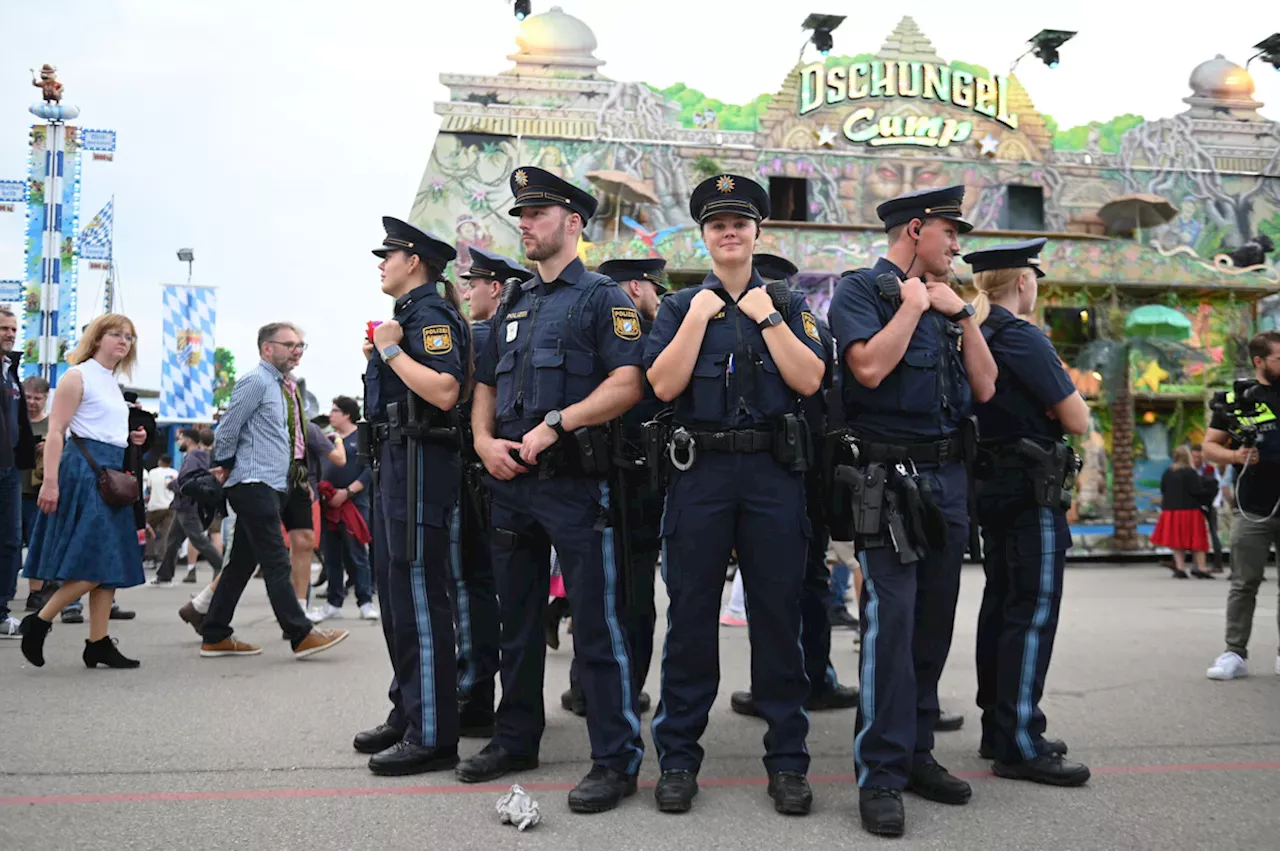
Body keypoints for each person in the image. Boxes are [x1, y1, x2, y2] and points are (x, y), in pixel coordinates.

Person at [458, 165, 645, 814]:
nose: (524, 224)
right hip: (510, 484)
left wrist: (559, 423)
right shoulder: (513, 300)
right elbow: (484, 384)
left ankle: (615, 758)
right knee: (517, 624)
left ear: (572, 222)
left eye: (536, 213)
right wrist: (483, 441)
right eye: (521, 214)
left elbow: (629, 382)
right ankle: (516, 738)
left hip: (575, 484)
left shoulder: (601, 297)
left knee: (597, 625)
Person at [646, 176, 826, 816]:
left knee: (779, 620)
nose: (729, 231)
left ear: (756, 234)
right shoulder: (676, 308)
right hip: (701, 475)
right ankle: (678, 759)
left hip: (773, 476)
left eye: (740, 222)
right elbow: (663, 386)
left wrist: (768, 317)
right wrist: (697, 317)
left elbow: (809, 377)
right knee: (691, 620)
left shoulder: (788, 301)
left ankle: (787, 763)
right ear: (703, 235)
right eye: (717, 223)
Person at [827, 185, 997, 837]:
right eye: (950, 232)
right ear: (916, 229)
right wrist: (913, 305)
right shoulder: (861, 290)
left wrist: (964, 317)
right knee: (890, 624)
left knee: (933, 621)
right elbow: (867, 368)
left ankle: (918, 751)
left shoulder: (948, 302)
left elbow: (984, 387)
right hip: (888, 477)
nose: (958, 244)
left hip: (948, 476)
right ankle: (880, 772)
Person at [966, 238, 1092, 787]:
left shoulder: (975, 333)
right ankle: (1019, 741)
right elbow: (1078, 417)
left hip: (992, 487)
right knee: (1032, 611)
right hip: (1030, 490)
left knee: (1001, 605)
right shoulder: (1020, 337)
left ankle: (1000, 727)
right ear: (1024, 281)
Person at [352, 216, 469, 776]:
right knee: (397, 595)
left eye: (389, 255)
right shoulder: (405, 319)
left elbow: (446, 391)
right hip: (395, 462)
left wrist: (393, 354)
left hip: (423, 460)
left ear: (414, 262)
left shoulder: (431, 316)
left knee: (420, 595)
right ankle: (408, 711)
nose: (382, 263)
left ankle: (434, 734)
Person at [727, 252, 860, 722]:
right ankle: (812, 679)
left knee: (783, 588)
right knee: (807, 584)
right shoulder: (813, 329)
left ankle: (785, 685)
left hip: (787, 476)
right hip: (812, 475)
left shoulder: (778, 327)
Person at [559, 257, 669, 718]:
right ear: (638, 287)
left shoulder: (626, 334)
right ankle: (615, 685)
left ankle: (594, 685)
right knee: (624, 590)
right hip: (629, 478)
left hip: (618, 477)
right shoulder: (649, 337)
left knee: (604, 589)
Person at [199, 323, 348, 660]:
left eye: (301, 345)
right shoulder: (256, 381)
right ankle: (300, 633)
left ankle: (214, 632)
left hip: (273, 482)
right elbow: (229, 427)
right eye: (290, 344)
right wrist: (223, 462)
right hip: (253, 482)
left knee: (240, 564)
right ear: (267, 349)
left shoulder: (283, 385)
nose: (297, 350)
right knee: (276, 559)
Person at [19, 314, 147, 667]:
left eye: (129, 337)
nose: (124, 342)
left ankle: (98, 641)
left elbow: (103, 428)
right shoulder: (77, 376)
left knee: (107, 565)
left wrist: (133, 437)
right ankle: (40, 620)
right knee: (96, 561)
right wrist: (50, 481)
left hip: (109, 472)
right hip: (85, 473)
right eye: (116, 335)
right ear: (97, 337)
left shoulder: (109, 382)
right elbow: (56, 431)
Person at [449, 246, 531, 735]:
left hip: (472, 476)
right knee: (497, 592)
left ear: (495, 288)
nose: (466, 291)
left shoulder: (480, 335)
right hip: (500, 476)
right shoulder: (505, 332)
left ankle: (475, 694)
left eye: (473, 283)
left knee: (469, 585)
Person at [1202, 330, 1280, 681]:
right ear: (1259, 361)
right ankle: (1234, 653)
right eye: (1279, 358)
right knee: (1244, 582)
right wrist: (1235, 454)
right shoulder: (1236, 398)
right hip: (1253, 506)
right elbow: (1209, 447)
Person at [309, 396, 377, 622]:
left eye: (335, 410)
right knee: (331, 556)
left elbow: (369, 471)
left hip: (354, 503)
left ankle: (365, 601)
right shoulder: (328, 439)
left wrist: (347, 492)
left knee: (358, 555)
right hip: (329, 505)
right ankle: (333, 602)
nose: (331, 414)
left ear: (347, 414)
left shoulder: (361, 437)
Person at [0, 307, 36, 638]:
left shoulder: (12, 372)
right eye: (3, 329)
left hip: (9, 467)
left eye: (13, 328)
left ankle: (0, 611)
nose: (10, 334)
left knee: (11, 541)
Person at [153, 428, 223, 585]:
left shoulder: (192, 457)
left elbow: (187, 482)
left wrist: (171, 484)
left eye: (180, 438)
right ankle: (164, 574)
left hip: (187, 505)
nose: (178, 441)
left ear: (189, 440)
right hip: (185, 505)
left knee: (198, 539)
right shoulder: (198, 456)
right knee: (172, 541)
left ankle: (220, 566)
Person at [1151, 446, 1215, 580]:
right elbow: (1197, 491)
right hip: (1190, 511)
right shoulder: (1190, 472)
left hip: (1171, 512)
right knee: (1197, 540)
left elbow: (1163, 489)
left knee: (1177, 542)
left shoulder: (1168, 472)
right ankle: (1201, 568)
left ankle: (1180, 568)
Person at [1189, 443, 1225, 573]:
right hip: (1194, 506)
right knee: (1195, 534)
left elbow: (1218, 486)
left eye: (1198, 457)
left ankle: (1217, 563)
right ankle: (1195, 563)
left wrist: (1216, 503)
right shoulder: (1189, 470)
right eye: (1194, 457)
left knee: (1214, 533)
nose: (1196, 460)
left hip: (1210, 505)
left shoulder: (1210, 469)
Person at [144, 454, 178, 571]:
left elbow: (149, 488)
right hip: (170, 507)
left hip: (155, 506)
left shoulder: (153, 472)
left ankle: (149, 558)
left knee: (149, 531)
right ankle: (161, 559)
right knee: (166, 533)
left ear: (160, 461)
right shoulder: (175, 473)